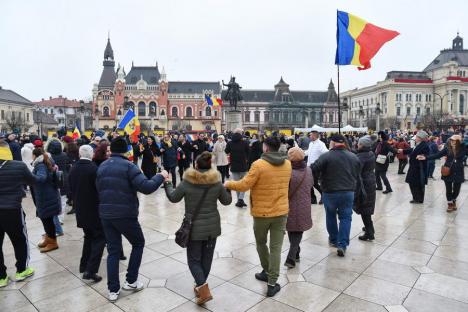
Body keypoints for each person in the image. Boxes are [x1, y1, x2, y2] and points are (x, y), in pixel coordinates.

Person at [96, 136, 168, 302]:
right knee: (138, 243)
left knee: (113, 251)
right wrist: (161, 176)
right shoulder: (129, 166)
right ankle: (131, 281)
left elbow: (98, 188)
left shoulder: (102, 166)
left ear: (111, 150)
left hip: (106, 214)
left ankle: (112, 290)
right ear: (126, 150)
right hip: (125, 214)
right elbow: (147, 187)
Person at [225, 136, 291, 297]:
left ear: (266, 148)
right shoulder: (288, 164)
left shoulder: (258, 165)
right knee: (276, 248)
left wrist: (227, 184)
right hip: (281, 212)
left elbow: (244, 185)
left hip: (261, 213)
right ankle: (272, 282)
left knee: (261, 243)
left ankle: (267, 271)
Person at [164, 152, 232, 305]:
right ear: (210, 165)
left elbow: (173, 197)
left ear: (195, 165)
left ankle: (202, 288)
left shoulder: (187, 182)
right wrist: (228, 188)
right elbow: (227, 201)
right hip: (212, 228)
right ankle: (200, 286)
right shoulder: (216, 182)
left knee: (194, 260)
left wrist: (168, 183)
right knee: (206, 259)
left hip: (193, 229)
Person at [313, 134, 360, 257]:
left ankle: (334, 240)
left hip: (330, 192)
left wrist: (318, 181)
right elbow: (357, 174)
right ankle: (342, 244)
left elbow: (313, 168)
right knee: (346, 218)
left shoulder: (326, 156)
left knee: (330, 215)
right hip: (348, 192)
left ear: (332, 143)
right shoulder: (353, 157)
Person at [0, 140, 37, 287]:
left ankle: (1, 277)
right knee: (20, 240)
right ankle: (22, 270)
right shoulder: (19, 166)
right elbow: (32, 181)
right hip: (12, 209)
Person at [69, 145, 106, 282]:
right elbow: (99, 190)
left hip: (81, 210)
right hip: (94, 211)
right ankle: (90, 271)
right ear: (91, 154)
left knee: (88, 237)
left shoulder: (73, 168)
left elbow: (70, 189)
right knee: (100, 238)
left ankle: (83, 265)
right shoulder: (94, 169)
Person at [417, 135, 466, 212]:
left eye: (454, 141)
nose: (452, 142)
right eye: (451, 140)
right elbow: (437, 155)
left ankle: (453, 200)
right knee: (448, 189)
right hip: (448, 170)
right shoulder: (447, 148)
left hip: (459, 171)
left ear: (459, 142)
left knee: (456, 190)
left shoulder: (464, 149)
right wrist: (426, 157)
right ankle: (450, 204)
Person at [284, 147, 312, 269]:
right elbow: (311, 184)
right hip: (304, 203)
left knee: (292, 228)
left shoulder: (288, 172)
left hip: (289, 203)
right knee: (297, 229)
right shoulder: (309, 170)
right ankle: (296, 252)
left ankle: (291, 256)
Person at [32, 147, 62, 253]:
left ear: (35, 156)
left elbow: (41, 178)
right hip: (48, 195)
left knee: (47, 220)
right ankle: (49, 238)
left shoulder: (40, 165)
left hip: (46, 197)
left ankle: (52, 242)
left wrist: (30, 178)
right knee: (46, 219)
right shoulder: (46, 162)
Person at [353, 136, 377, 241]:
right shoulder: (370, 153)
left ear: (362, 145)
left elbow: (356, 171)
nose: (357, 145)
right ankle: (369, 228)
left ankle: (369, 233)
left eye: (358, 143)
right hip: (370, 181)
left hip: (364, 184)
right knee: (366, 208)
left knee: (364, 209)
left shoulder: (362, 156)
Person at [398, 130, 430, 204]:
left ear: (420, 138)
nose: (415, 138)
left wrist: (423, 156)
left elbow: (427, 154)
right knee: (412, 182)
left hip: (418, 168)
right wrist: (403, 151)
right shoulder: (418, 144)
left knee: (417, 184)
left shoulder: (424, 145)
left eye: (417, 137)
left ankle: (419, 199)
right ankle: (416, 198)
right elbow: (412, 150)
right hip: (414, 167)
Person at [225, 128, 250, 208]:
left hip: (234, 166)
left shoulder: (230, 143)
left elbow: (226, 151)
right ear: (241, 133)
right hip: (243, 166)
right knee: (244, 184)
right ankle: (240, 199)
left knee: (237, 184)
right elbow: (249, 152)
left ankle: (239, 200)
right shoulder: (245, 142)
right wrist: (246, 159)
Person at [306, 130, 328, 204]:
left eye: (311, 135)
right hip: (309, 166)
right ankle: (313, 199)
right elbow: (308, 152)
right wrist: (300, 151)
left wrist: (321, 162)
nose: (309, 136)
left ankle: (323, 195)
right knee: (309, 183)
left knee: (314, 183)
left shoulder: (321, 144)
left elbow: (326, 152)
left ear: (315, 136)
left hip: (316, 167)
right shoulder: (311, 143)